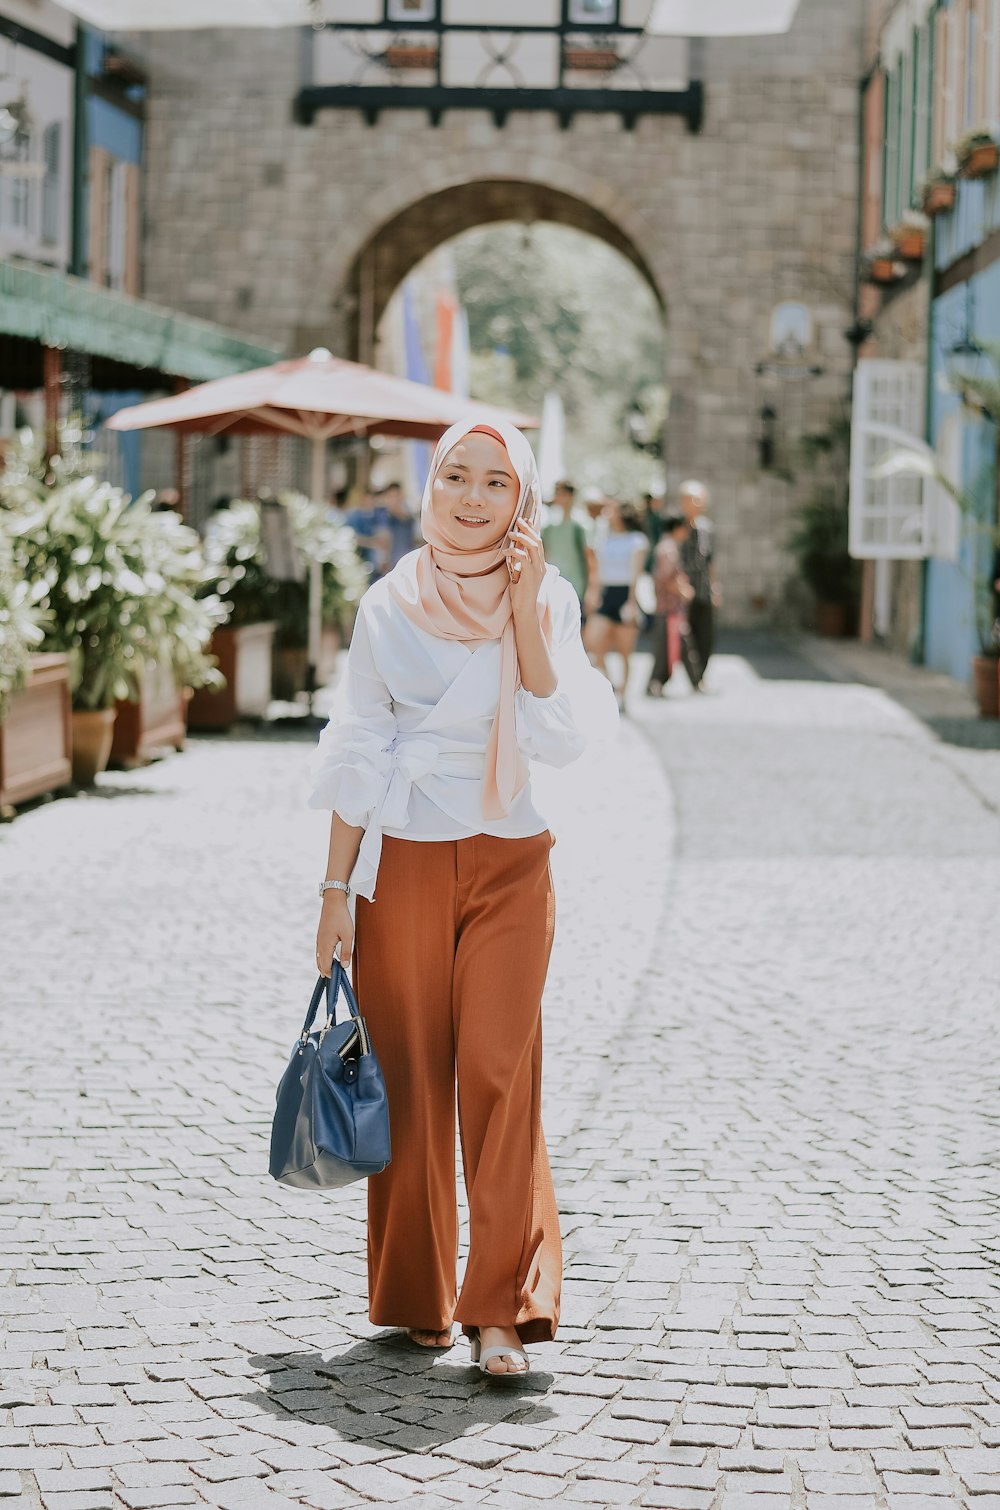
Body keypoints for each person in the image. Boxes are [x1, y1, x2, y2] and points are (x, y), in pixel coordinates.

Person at [308, 417, 617, 1381]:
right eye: (455, 476)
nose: (473, 497)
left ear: (521, 499)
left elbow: (560, 739)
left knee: (497, 1067)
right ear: (430, 485)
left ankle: (501, 1309)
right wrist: (333, 890)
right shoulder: (387, 604)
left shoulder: (550, 596)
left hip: (512, 859)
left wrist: (525, 610)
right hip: (404, 859)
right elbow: (359, 745)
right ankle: (416, 1294)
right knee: (407, 1072)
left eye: (494, 482)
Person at [584, 500, 649, 709]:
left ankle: (624, 696)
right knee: (593, 642)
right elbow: (598, 570)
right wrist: (594, 593)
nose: (608, 514)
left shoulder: (637, 540)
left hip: (626, 595)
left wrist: (632, 603)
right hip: (607, 593)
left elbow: (636, 574)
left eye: (612, 510)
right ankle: (611, 683)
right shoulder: (605, 538)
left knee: (625, 652)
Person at [678, 480, 720, 691]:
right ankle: (690, 679)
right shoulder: (678, 527)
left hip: (703, 589)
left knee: (705, 636)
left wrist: (714, 588)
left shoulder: (707, 528)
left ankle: (700, 679)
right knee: (684, 637)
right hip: (683, 591)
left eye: (697, 499)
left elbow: (710, 560)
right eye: (689, 499)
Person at [647, 514, 693, 697]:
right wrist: (683, 591)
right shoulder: (668, 549)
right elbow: (667, 578)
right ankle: (655, 683)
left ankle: (657, 683)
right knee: (666, 647)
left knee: (670, 646)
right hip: (669, 606)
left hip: (669, 606)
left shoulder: (667, 547)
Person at [541, 479, 596, 616]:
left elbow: (590, 560)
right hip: (552, 587)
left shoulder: (582, 525)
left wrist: (591, 591)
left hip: (576, 588)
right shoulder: (549, 526)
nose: (557, 496)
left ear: (570, 495)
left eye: (561, 493)